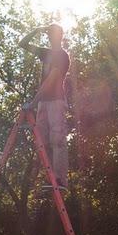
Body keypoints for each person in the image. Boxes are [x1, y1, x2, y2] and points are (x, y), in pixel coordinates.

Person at [19, 24, 71, 190]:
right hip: (43, 102)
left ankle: (60, 180)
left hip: (55, 101)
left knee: (57, 140)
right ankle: (51, 178)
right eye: (48, 33)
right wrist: (36, 30)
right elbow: (23, 44)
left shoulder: (62, 56)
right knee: (42, 141)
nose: (50, 36)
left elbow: (51, 80)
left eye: (52, 33)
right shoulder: (45, 53)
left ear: (60, 36)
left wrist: (33, 103)